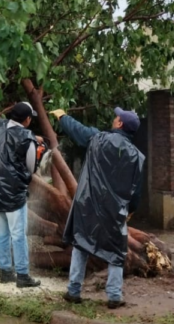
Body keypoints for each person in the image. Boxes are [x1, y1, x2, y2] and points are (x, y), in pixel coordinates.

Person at [49, 107, 145, 309]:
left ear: (120, 124)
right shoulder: (137, 157)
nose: (114, 118)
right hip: (116, 210)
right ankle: (114, 296)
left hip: (88, 206)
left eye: (116, 117)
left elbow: (78, 130)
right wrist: (130, 210)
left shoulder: (97, 139)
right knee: (117, 252)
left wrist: (62, 116)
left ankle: (74, 291)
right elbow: (136, 191)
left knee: (80, 244)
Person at [0, 102, 43, 288]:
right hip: (13, 194)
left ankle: (6, 272)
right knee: (18, 235)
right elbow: (31, 167)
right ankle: (23, 276)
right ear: (26, 119)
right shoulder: (27, 137)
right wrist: (37, 147)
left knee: (1, 234)